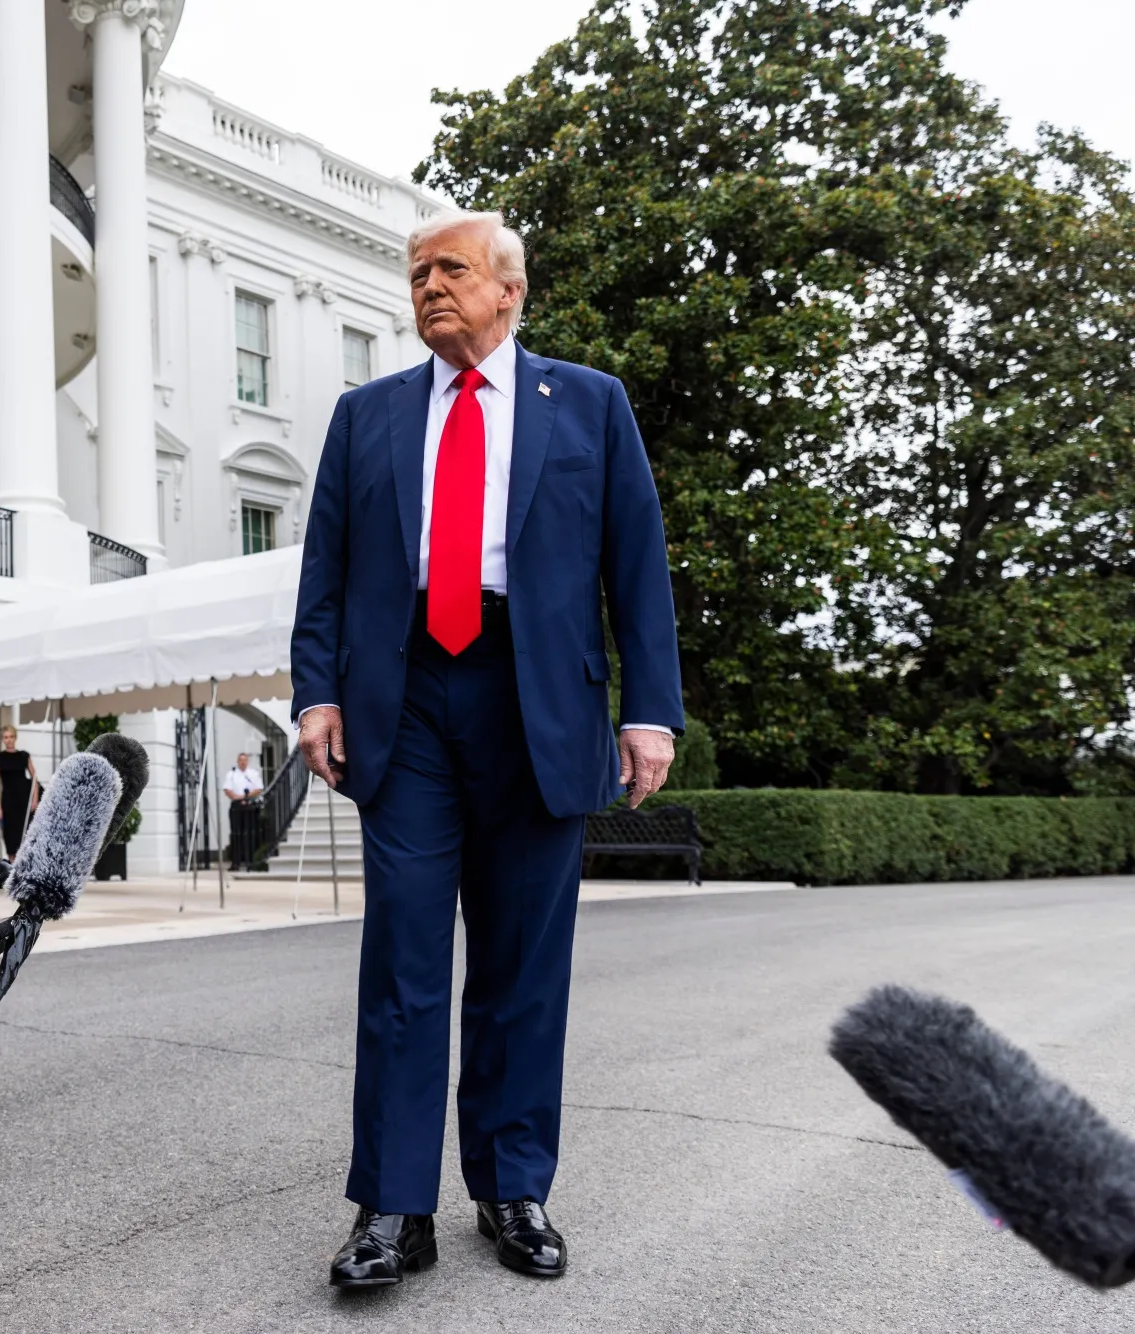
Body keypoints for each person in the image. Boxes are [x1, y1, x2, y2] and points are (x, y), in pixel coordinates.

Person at [294, 210, 682, 1287]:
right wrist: (314, 693)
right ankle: (392, 1206)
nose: (427, 288)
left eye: (449, 270)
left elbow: (635, 566)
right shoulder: (364, 415)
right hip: (406, 695)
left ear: (508, 289)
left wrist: (649, 710)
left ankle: (511, 1187)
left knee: (519, 964)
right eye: (416, 273)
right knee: (402, 961)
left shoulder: (589, 404)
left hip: (538, 699)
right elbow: (323, 566)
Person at [0, 724, 38, 858]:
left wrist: (34, 799)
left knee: (26, 837)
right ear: (2, 740)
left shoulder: (24, 755)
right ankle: (12, 871)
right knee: (11, 839)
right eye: (6, 737)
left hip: (24, 800)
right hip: (8, 801)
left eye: (11, 737)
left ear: (15, 738)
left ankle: (25, 871)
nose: (9, 740)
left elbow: (34, 777)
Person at [222, 751, 265, 871]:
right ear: (238, 761)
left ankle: (250, 861)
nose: (243, 763)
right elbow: (227, 789)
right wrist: (238, 797)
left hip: (249, 806)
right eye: (240, 760)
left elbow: (259, 788)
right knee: (236, 834)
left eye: (245, 760)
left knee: (250, 834)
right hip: (236, 806)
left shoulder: (252, 774)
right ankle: (235, 862)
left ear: (247, 762)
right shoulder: (232, 774)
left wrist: (247, 796)